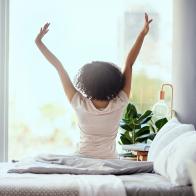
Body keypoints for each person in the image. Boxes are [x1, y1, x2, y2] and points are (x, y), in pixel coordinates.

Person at [35, 13, 152, 159]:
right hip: (110, 163)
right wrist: (142, 34)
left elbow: (59, 67)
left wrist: (39, 42)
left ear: (86, 83)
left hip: (81, 160)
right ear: (114, 82)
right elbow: (129, 64)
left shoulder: (79, 103)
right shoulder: (120, 102)